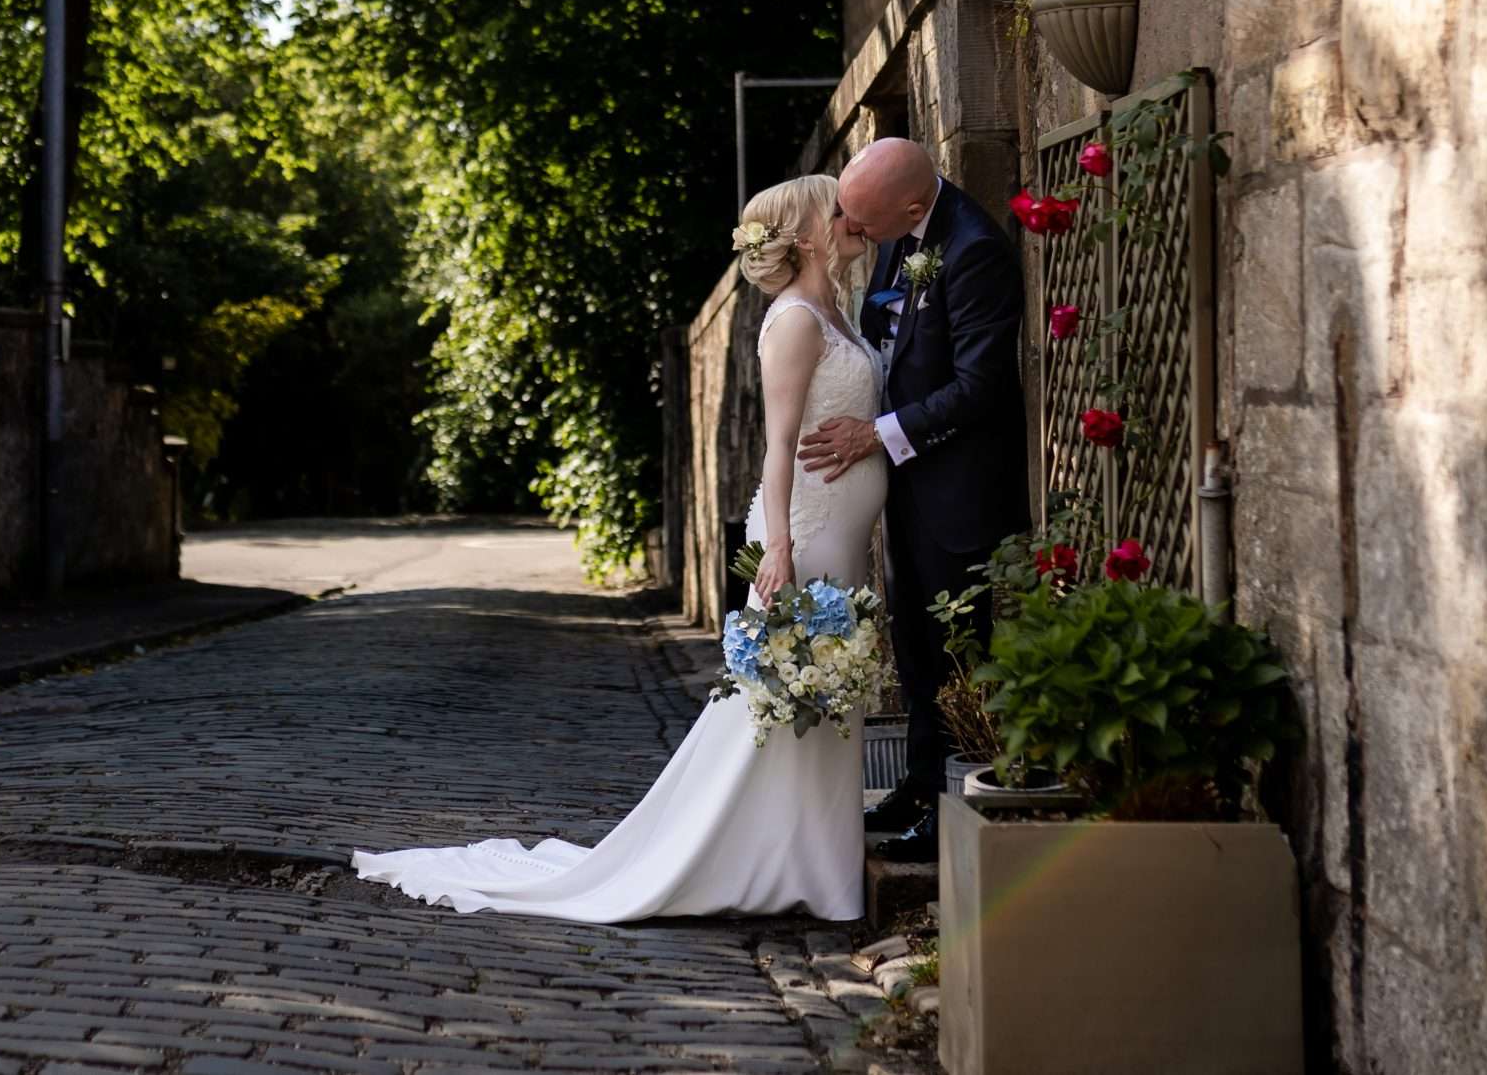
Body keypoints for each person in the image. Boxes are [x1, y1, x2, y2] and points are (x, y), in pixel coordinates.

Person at [353, 175, 885, 920]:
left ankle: (816, 865)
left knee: (823, 695)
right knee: (786, 696)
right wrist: (783, 550)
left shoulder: (840, 308)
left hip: (844, 531)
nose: (853, 215)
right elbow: (777, 447)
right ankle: (761, 865)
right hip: (808, 531)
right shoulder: (793, 320)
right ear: (803, 235)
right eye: (837, 208)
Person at [797, 138, 1027, 863]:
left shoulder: (976, 250)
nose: (856, 235)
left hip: (961, 490)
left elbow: (979, 385)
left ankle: (951, 807)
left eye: (864, 224)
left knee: (957, 653)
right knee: (915, 646)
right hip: (907, 487)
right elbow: (886, 336)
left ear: (914, 205)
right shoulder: (904, 238)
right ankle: (918, 784)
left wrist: (878, 431)